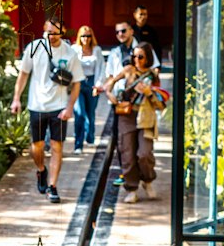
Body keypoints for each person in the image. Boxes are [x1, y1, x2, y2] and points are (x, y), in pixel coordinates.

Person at [10, 17, 82, 203]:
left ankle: (53, 187)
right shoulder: (34, 48)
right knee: (38, 147)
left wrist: (69, 107)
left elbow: (76, 84)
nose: (51, 36)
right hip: (37, 105)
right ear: (44, 29)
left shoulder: (70, 53)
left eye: (55, 32)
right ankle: (41, 169)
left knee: (57, 147)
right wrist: (16, 99)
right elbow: (23, 74)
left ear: (62, 31)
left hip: (59, 107)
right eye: (48, 32)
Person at [101, 41, 168, 202]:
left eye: (140, 56)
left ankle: (148, 179)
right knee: (127, 153)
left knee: (144, 153)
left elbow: (160, 102)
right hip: (127, 116)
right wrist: (110, 95)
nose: (136, 59)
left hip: (145, 116)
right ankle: (131, 188)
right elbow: (108, 84)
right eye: (134, 56)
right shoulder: (128, 70)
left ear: (148, 58)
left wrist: (148, 92)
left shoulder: (152, 75)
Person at [72, 24, 103, 151]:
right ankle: (78, 144)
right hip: (78, 82)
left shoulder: (97, 50)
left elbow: (101, 68)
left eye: (88, 36)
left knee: (90, 113)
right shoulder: (74, 49)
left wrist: (98, 85)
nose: (86, 38)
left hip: (92, 82)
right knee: (79, 113)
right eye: (83, 36)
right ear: (80, 37)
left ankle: (90, 137)